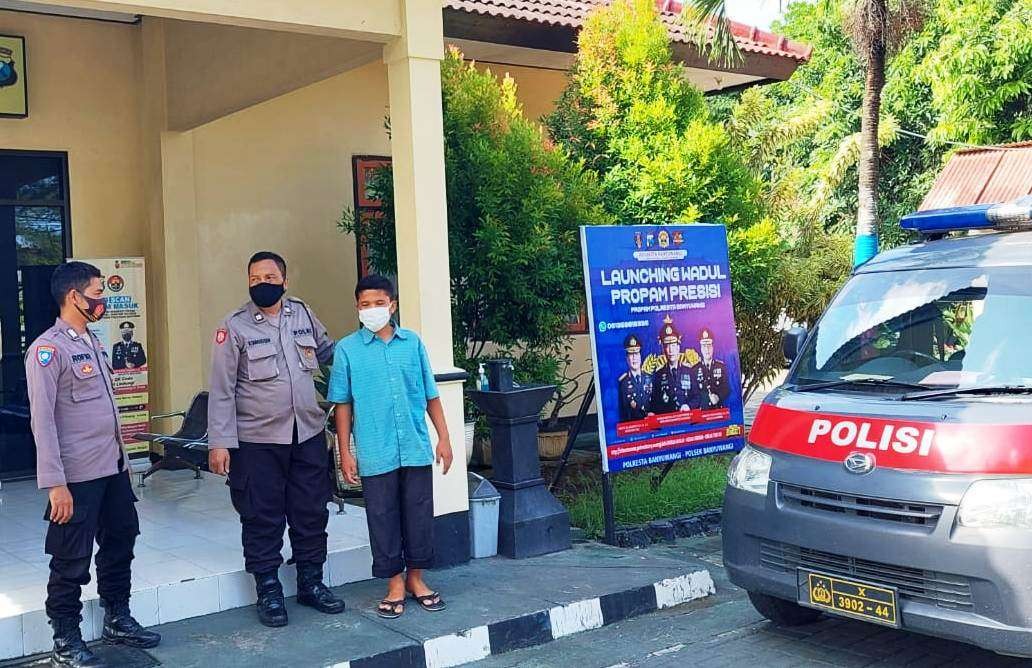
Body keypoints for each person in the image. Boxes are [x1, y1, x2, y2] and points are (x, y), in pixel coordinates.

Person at [25, 261, 160, 668]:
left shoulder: (93, 342)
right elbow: (42, 421)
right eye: (98, 294)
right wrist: (55, 484)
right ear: (74, 297)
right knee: (71, 559)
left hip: (111, 467)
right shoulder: (48, 351)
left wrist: (126, 463)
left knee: (121, 540)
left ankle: (117, 618)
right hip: (76, 477)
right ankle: (65, 639)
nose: (103, 301)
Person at [207, 251, 344, 628]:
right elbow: (221, 390)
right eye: (254, 278)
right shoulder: (233, 327)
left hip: (308, 433)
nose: (261, 283)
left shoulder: (302, 314)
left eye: (269, 276)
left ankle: (311, 584)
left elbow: (331, 354)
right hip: (257, 440)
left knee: (311, 510)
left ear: (285, 281)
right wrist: (220, 442)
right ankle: (268, 590)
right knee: (261, 515)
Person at [328, 274, 454, 620]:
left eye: (378, 303)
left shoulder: (412, 344)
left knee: (418, 514)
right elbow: (343, 405)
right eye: (365, 305)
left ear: (392, 305)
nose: (372, 310)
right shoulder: (347, 350)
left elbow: (430, 394)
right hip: (374, 449)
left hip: (414, 445)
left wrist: (444, 438)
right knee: (382, 517)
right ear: (357, 309)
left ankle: (416, 579)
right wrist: (345, 452)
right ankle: (394, 584)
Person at [650, 315, 696, 414]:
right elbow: (654, 403)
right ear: (663, 349)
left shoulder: (689, 371)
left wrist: (688, 406)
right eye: (667, 346)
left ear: (678, 347)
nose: (670, 350)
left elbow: (697, 397)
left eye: (673, 345)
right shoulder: (658, 375)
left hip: (688, 421)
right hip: (667, 424)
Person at [617, 333, 652, 421]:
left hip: (652, 423)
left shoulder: (650, 378)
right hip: (634, 426)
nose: (634, 358)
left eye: (636, 354)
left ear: (640, 356)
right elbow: (624, 411)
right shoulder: (623, 383)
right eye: (631, 355)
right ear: (627, 358)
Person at [693, 328, 730, 409]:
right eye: (704, 346)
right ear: (700, 348)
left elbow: (726, 388)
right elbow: (693, 393)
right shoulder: (694, 369)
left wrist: (718, 397)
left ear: (713, 347)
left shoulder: (721, 366)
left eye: (709, 345)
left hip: (718, 411)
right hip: (701, 413)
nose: (707, 349)